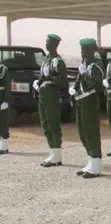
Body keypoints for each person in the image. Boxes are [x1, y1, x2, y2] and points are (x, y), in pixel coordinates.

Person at [70, 38, 105, 178]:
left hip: (90, 101)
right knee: (83, 132)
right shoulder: (85, 63)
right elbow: (80, 80)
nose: (82, 51)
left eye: (85, 49)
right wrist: (74, 88)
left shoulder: (96, 65)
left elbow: (97, 86)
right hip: (81, 100)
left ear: (92, 50)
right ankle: (90, 161)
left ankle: (96, 165)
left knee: (91, 132)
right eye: (81, 49)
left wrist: (84, 75)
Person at [34, 34, 68, 167]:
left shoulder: (57, 61)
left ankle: (57, 155)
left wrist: (50, 78)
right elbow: (43, 76)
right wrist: (38, 82)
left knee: (53, 123)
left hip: (51, 95)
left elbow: (63, 81)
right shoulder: (46, 59)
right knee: (45, 123)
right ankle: (52, 152)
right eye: (46, 42)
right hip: (43, 94)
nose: (46, 44)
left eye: (48, 42)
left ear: (55, 44)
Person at [0, 60, 9, 155]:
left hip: (1, 99)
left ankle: (4, 147)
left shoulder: (3, 69)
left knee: (2, 123)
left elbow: (7, 86)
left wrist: (5, 100)